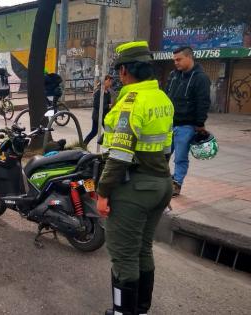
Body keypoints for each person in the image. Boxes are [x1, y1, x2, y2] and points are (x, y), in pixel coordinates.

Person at [96, 41, 174, 315]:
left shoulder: (131, 102)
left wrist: (103, 192)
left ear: (125, 71)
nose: (119, 75)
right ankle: (140, 309)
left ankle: (122, 312)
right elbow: (167, 148)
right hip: (160, 184)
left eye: (119, 70)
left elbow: (119, 155)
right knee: (142, 249)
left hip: (135, 189)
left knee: (123, 255)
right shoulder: (162, 98)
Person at [165, 46, 211, 197]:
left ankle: (176, 184)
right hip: (168, 124)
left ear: (189, 57)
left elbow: (203, 102)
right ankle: (162, 181)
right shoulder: (173, 75)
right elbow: (166, 96)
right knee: (162, 155)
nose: (176, 63)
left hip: (186, 126)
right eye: (174, 60)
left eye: (179, 59)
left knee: (180, 157)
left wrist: (199, 124)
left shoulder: (200, 78)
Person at [84, 75, 113, 145]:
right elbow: (96, 105)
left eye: (111, 81)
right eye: (109, 81)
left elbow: (109, 103)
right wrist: (108, 106)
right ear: (104, 81)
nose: (110, 83)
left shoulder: (108, 93)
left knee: (109, 131)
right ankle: (84, 144)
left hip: (105, 116)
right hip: (97, 116)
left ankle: (102, 142)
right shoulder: (98, 92)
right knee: (94, 132)